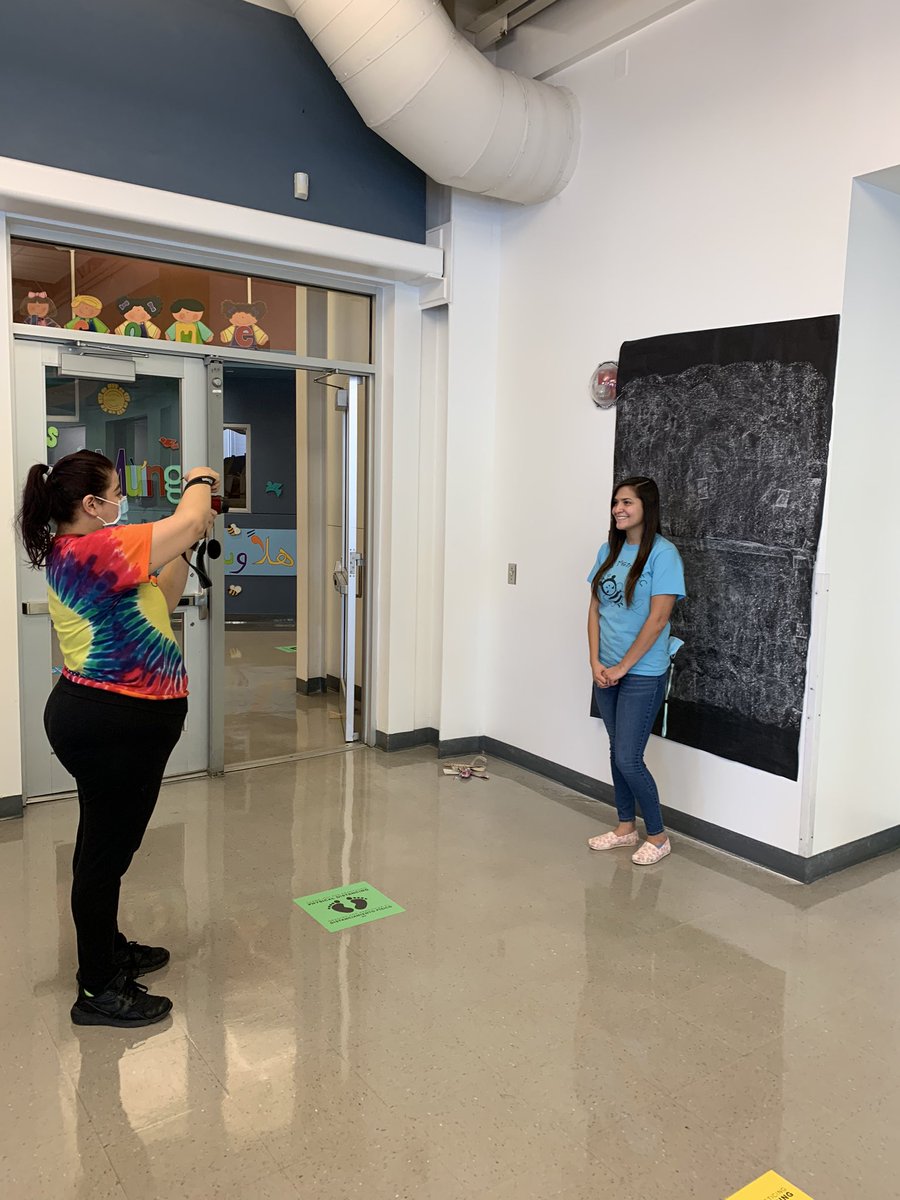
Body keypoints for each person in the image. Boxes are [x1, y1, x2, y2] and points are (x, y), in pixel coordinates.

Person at [17, 451, 220, 1026]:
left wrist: (183, 545)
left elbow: (166, 594)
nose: (120, 504)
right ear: (91, 505)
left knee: (107, 847)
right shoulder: (89, 548)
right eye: (114, 494)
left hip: (117, 725)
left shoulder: (95, 554)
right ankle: (97, 988)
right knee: (104, 857)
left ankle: (107, 951)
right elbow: (182, 520)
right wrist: (202, 480)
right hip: (109, 726)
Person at [586, 476, 686, 865]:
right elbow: (595, 609)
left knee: (628, 757)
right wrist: (595, 662)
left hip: (642, 672)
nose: (618, 509)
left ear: (647, 507)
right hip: (605, 670)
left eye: (626, 502)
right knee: (617, 751)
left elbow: (659, 619)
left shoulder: (664, 555)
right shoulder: (607, 551)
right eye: (615, 503)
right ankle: (625, 828)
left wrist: (623, 667)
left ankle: (658, 836)